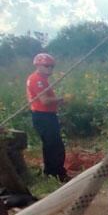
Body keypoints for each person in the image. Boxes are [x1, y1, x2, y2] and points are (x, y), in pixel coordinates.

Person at [26, 53, 68, 182]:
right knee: (55, 146)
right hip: (43, 116)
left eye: (52, 66)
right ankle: (58, 174)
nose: (49, 69)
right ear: (38, 65)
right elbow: (44, 101)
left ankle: (50, 172)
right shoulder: (37, 80)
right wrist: (62, 99)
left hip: (45, 115)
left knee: (49, 145)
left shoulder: (41, 79)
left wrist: (58, 103)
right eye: (47, 66)